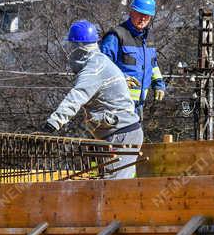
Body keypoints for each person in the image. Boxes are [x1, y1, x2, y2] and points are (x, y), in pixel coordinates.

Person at [41, 20, 142, 179]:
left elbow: (77, 95)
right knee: (106, 186)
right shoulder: (97, 62)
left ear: (79, 46)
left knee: (113, 188)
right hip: (116, 133)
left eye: (72, 45)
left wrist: (52, 124)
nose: (70, 50)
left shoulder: (94, 67)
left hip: (122, 135)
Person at [99, 0, 166, 119]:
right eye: (140, 14)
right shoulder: (116, 36)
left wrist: (158, 84)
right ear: (131, 12)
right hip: (117, 103)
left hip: (138, 105)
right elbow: (101, 68)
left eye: (146, 16)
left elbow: (153, 65)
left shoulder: (149, 38)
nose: (143, 19)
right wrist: (122, 78)